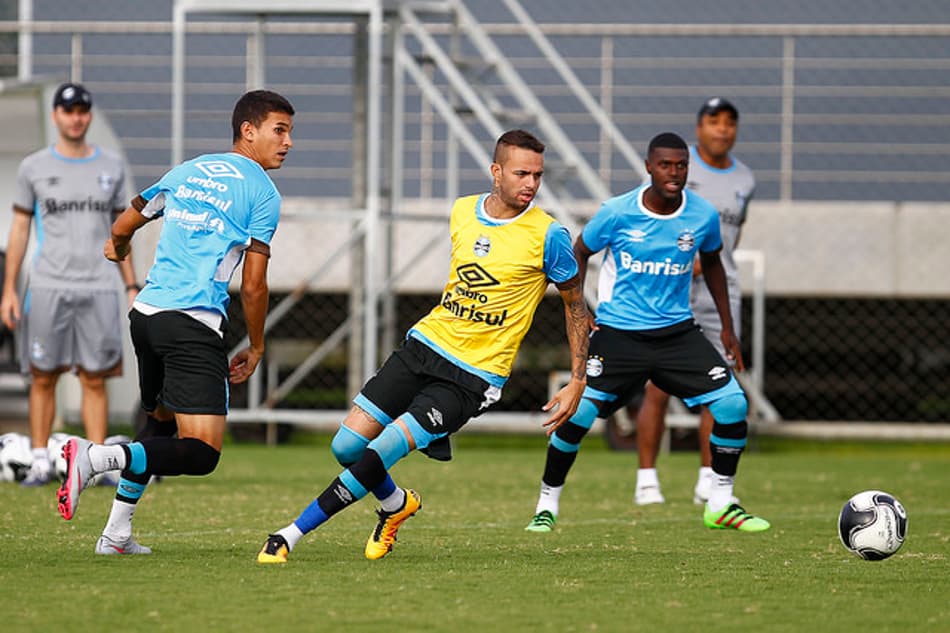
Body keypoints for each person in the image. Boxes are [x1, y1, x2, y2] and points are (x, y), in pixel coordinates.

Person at [257, 129, 589, 564]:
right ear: (496, 171)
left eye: (537, 175)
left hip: (474, 375)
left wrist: (578, 379)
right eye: (521, 173)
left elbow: (576, 306)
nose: (530, 184)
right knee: (346, 447)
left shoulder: (549, 236)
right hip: (425, 345)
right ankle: (396, 505)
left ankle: (290, 534)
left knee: (384, 448)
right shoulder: (462, 211)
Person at [54, 89, 295, 556]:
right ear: (248, 131)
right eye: (279, 130)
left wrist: (119, 250)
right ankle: (96, 456)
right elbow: (254, 286)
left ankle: (116, 536)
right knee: (202, 453)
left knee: (161, 422)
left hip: (146, 317)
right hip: (191, 323)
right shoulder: (263, 193)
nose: (287, 143)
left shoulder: (190, 169)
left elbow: (126, 223)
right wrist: (258, 345)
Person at [525, 132, 769, 534]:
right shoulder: (618, 212)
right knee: (578, 415)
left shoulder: (702, 215)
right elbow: (580, 250)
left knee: (732, 405)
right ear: (649, 167)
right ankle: (546, 504)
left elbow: (713, 265)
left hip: (677, 334)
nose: (674, 173)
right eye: (666, 165)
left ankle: (721, 502)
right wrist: (579, 307)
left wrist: (726, 327)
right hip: (619, 335)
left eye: (681, 166)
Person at [1, 82, 139, 487]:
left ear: (89, 116)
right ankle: (41, 459)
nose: (75, 117)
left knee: (94, 378)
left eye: (82, 110)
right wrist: (10, 288)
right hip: (47, 286)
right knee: (43, 375)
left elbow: (122, 232)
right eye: (68, 110)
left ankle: (94, 463)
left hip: (98, 286)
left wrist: (131, 286)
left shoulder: (111, 167)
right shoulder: (34, 167)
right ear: (56, 116)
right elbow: (21, 229)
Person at [632, 97, 756, 506]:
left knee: (720, 383)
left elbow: (729, 239)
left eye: (729, 123)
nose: (722, 129)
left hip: (721, 291)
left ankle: (709, 477)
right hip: (671, 288)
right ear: (699, 127)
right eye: (713, 121)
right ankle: (647, 478)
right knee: (657, 384)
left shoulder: (745, 179)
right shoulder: (678, 167)